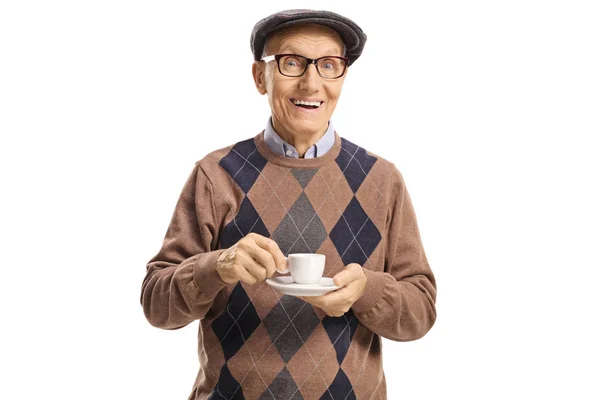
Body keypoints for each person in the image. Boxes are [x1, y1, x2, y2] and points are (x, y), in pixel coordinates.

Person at [141, 9, 436, 400]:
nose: (311, 83)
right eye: (291, 63)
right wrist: (217, 267)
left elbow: (420, 313)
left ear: (343, 77)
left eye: (329, 65)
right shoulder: (216, 175)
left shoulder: (382, 180)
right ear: (260, 77)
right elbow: (157, 306)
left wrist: (368, 290)